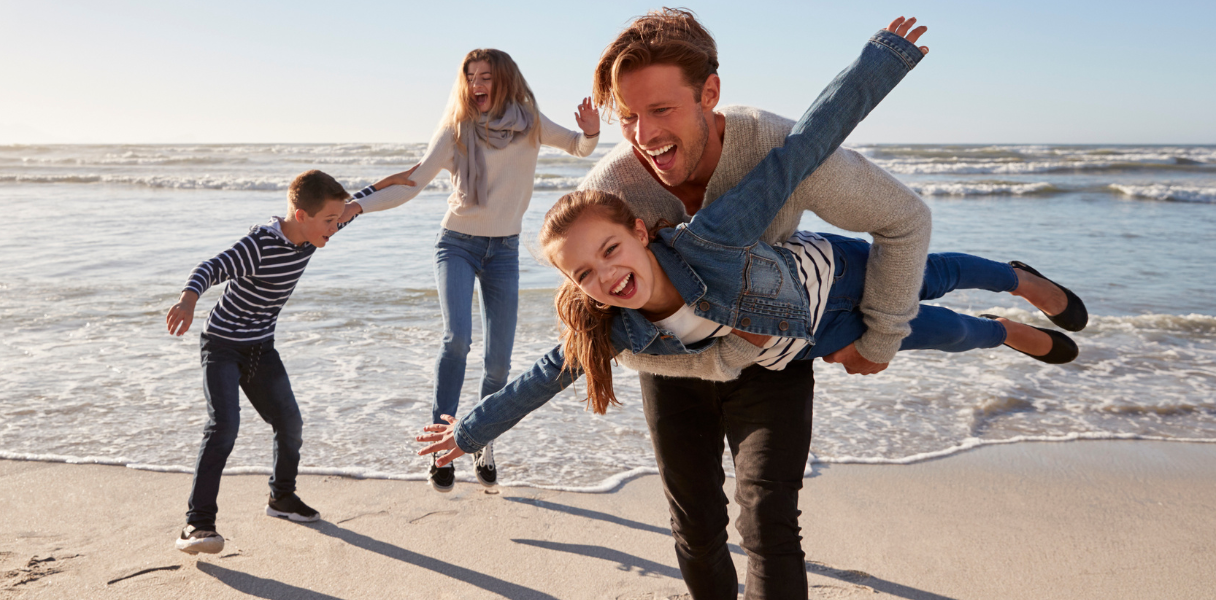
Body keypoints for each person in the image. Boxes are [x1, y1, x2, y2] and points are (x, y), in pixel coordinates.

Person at [419, 16, 1074, 600]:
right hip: (787, 344)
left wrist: (882, 60)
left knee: (931, 287)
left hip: (831, 288)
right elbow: (549, 369)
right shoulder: (612, 266)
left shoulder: (716, 228)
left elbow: (804, 153)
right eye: (628, 117)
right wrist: (467, 434)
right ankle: (996, 331)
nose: (644, 135)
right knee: (697, 527)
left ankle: (1012, 286)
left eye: (661, 109)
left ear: (644, 230)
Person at [340, 48, 602, 492]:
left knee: (498, 363)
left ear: (503, 80)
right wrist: (356, 207)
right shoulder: (457, 130)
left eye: (486, 76)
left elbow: (578, 147)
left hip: (504, 252)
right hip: (456, 244)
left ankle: (482, 440)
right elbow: (413, 183)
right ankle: (441, 447)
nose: (477, 84)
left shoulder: (530, 122)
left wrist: (591, 132)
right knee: (456, 338)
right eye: (471, 76)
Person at [164, 168, 413, 555]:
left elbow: (352, 206)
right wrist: (188, 300)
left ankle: (282, 499)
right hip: (223, 346)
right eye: (330, 220)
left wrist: (386, 183)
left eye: (336, 219)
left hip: (261, 348)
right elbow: (210, 268)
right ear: (302, 216)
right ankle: (197, 525)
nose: (336, 225)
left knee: (289, 422)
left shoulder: (315, 231)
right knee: (225, 426)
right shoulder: (259, 244)